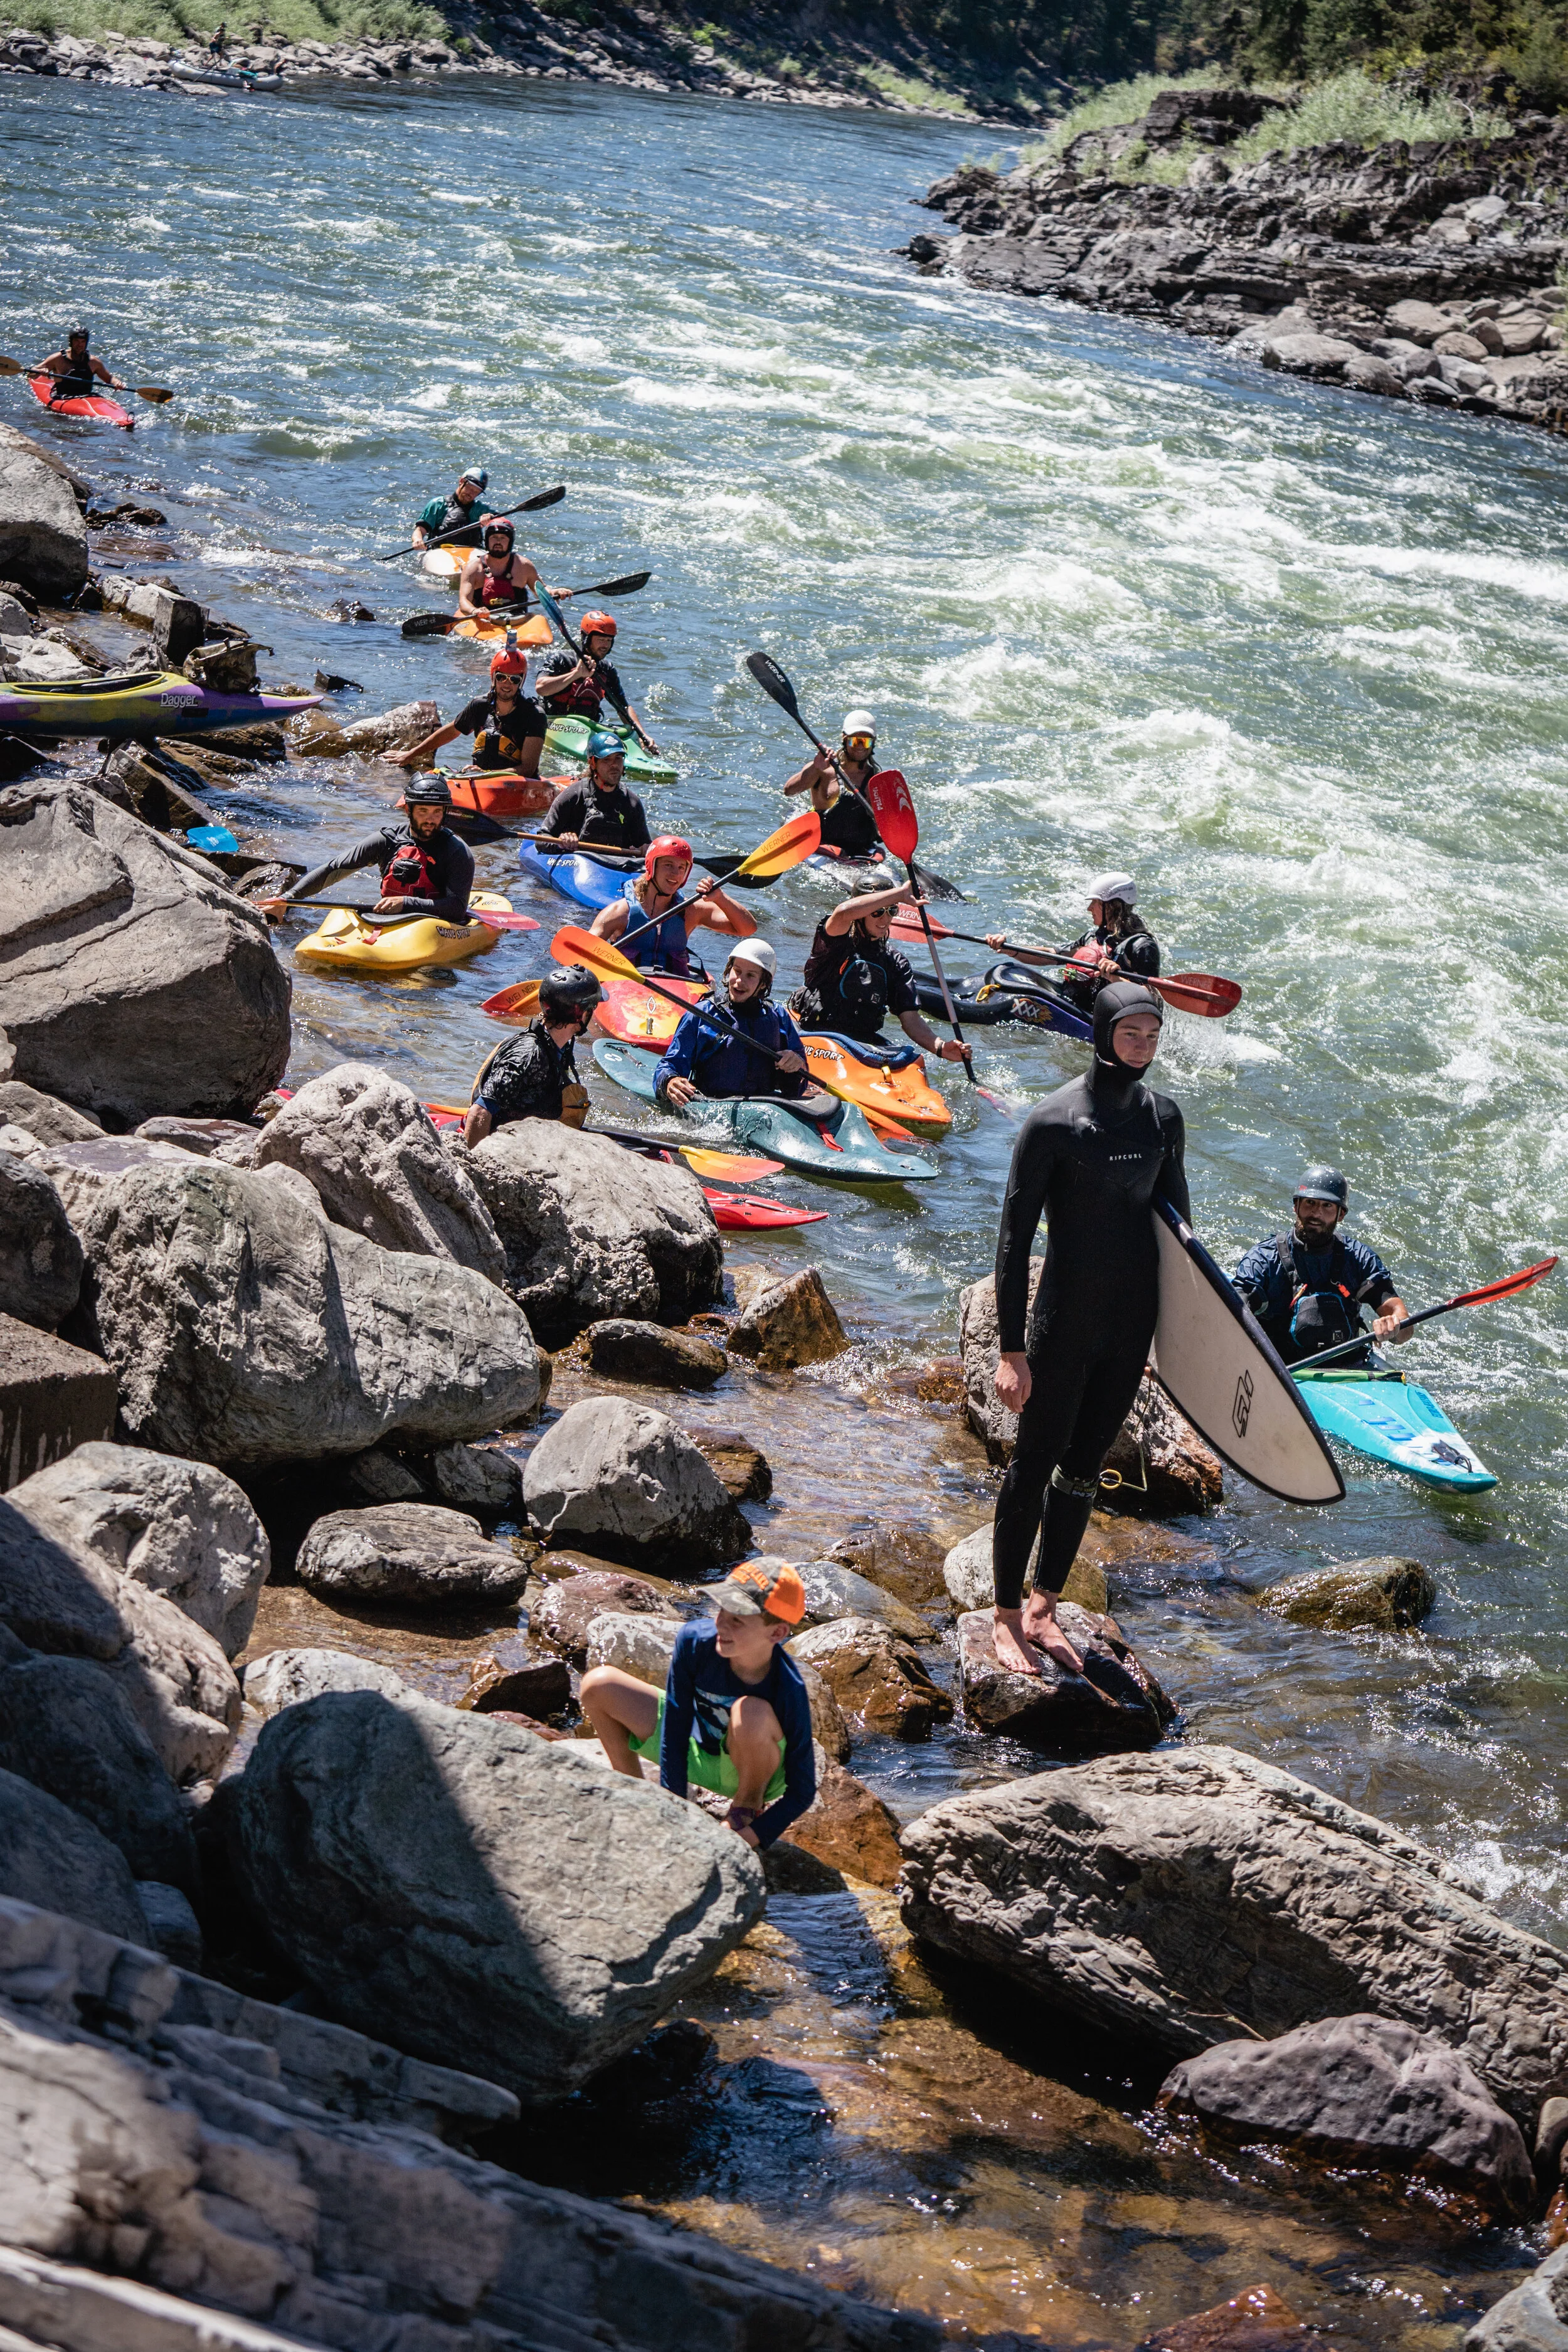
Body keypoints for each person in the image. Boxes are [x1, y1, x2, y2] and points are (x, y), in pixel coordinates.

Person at [990, 981, 1188, 1682]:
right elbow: (1013, 1245)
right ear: (1103, 1035)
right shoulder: (1053, 1123)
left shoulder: (1164, 1119)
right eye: (1131, 1034)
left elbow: (1179, 1241)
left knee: (1083, 1471)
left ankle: (1046, 1606)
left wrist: (1179, 1347)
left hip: (1128, 1327)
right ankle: (1006, 1617)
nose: (1143, 1046)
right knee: (1033, 1465)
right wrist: (1011, 1352)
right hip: (1061, 1324)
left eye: (1152, 1035)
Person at [580, 1559, 817, 1850]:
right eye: (721, 1612)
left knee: (749, 1712)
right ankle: (632, 1789)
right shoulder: (694, 1642)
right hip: (698, 1752)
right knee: (599, 1684)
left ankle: (745, 1808)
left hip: (748, 1770)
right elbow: (675, 1729)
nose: (721, 1625)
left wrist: (750, 1839)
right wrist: (673, 1808)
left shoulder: (789, 1687)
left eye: (737, 1620)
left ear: (777, 1633)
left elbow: (802, 1792)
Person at [1232, 1170, 1410, 1366]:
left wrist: (1394, 1326)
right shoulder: (1263, 1259)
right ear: (1296, 1206)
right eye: (1310, 1203)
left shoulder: (1359, 1258)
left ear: (1341, 1214)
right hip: (1281, 1369)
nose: (1316, 1213)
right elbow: (1236, 1309)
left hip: (1345, 1367)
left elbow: (1403, 1324)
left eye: (1327, 1206)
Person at [790, 877, 968, 1064]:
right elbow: (843, 913)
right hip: (817, 1033)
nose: (886, 919)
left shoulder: (895, 962)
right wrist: (899, 894)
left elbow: (910, 1019)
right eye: (877, 912)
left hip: (860, 1042)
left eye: (892, 910)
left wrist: (940, 1047)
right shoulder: (834, 941)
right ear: (861, 911)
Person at [269, 776, 473, 923]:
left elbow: (456, 909)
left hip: (435, 922)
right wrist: (286, 899)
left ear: (445, 812)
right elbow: (333, 870)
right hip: (390, 919)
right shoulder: (387, 840)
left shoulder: (457, 851)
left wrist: (406, 903)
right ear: (408, 810)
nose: (430, 820)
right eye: (423, 811)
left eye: (437, 812)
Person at [655, 940, 809, 1106]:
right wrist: (670, 1081)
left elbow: (800, 1082)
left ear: (764, 983)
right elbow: (670, 1064)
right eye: (737, 971)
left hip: (764, 1105)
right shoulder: (702, 1014)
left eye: (750, 975)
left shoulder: (778, 1016)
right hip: (712, 1105)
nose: (739, 981)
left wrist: (797, 1065)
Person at [988, 872, 1161, 1014]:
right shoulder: (1093, 938)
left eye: (1095, 902)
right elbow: (1052, 955)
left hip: (1105, 1016)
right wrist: (1010, 949)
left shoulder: (1142, 946)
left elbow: (1152, 998)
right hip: (1073, 1005)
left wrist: (1115, 977)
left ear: (1111, 905)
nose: (1089, 908)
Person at [464, 965, 601, 1143]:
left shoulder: (559, 1047)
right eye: (592, 1008)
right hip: (499, 1144)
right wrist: (473, 1166)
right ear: (581, 1015)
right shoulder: (528, 1056)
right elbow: (480, 1111)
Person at [590, 834, 755, 977]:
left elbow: (747, 929)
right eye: (668, 865)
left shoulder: (691, 911)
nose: (675, 874)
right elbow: (582, 955)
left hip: (675, 992)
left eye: (681, 867)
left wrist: (720, 897)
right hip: (625, 990)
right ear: (651, 867)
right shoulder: (620, 913)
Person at [389, 642, 548, 779]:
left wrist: (486, 775)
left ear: (522, 682)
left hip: (516, 783)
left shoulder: (534, 715)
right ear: (493, 677)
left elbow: (528, 769)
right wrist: (410, 754)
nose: (507, 684)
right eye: (502, 678)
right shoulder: (480, 706)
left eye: (514, 680)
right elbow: (451, 732)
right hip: (479, 777)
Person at [536, 610, 658, 756]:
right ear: (587, 638)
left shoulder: (607, 669)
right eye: (601, 639)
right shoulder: (562, 659)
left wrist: (642, 735)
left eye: (609, 640)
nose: (605, 645)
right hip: (555, 723)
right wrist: (576, 675)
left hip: (587, 728)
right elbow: (541, 688)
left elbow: (623, 706)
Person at [781, 706, 885, 863]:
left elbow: (887, 823)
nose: (860, 747)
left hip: (860, 850)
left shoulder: (876, 780)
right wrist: (814, 768)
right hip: (822, 845)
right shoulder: (824, 769)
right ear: (844, 738)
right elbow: (789, 791)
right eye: (855, 740)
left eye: (866, 742)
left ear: (873, 743)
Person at [534, 734, 651, 854]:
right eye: (607, 759)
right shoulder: (573, 795)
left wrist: (645, 850)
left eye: (618, 758)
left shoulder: (632, 803)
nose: (614, 765)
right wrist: (561, 843)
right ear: (593, 763)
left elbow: (645, 847)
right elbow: (541, 840)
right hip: (577, 862)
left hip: (616, 865)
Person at [455, 517, 540, 620]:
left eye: (503, 538)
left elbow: (542, 592)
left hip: (517, 620)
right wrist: (474, 611)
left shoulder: (524, 566)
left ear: (510, 542)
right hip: (484, 620)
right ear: (487, 540)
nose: (498, 542)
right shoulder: (473, 568)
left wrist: (556, 593)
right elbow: (464, 601)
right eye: (494, 537)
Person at [412, 467, 490, 551]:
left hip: (472, 553)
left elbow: (502, 522)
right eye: (470, 488)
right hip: (440, 552)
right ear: (462, 481)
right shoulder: (438, 504)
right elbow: (420, 529)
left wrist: (491, 518)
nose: (471, 494)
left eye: (476, 492)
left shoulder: (481, 509)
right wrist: (418, 540)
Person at [38, 326, 125, 401]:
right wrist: (41, 371)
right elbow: (32, 372)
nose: (80, 345)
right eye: (77, 341)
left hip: (86, 397)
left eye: (83, 342)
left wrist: (117, 383)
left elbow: (109, 379)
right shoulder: (58, 359)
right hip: (63, 397)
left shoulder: (94, 362)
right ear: (71, 341)